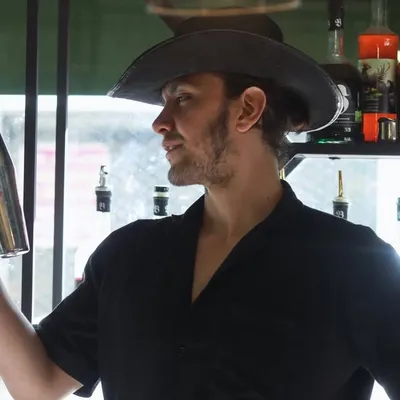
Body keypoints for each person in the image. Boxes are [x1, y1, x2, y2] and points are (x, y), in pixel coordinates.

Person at [0, 12, 400, 400]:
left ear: (248, 109)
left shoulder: (355, 265)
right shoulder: (128, 255)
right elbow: (38, 385)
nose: (160, 122)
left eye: (183, 98)